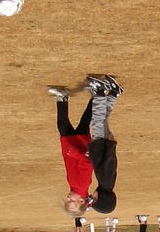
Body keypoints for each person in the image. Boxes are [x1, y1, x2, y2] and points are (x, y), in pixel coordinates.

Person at [49, 74, 122, 216]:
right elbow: (92, 162)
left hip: (102, 144)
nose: (68, 197)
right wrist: (78, 151)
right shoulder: (89, 184)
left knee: (92, 119)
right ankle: (99, 91)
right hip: (98, 144)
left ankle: (112, 93)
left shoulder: (105, 184)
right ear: (80, 201)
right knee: (96, 119)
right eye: (71, 201)